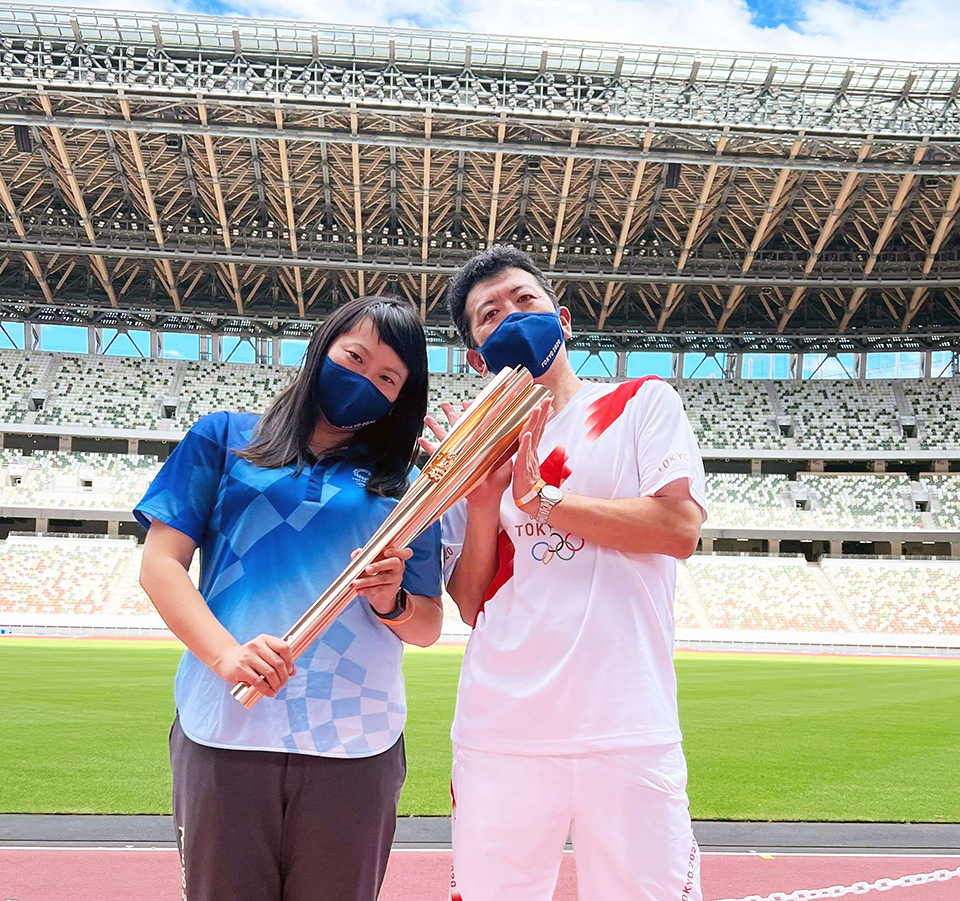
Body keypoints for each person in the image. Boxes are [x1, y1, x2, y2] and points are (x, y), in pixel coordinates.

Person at [136, 295, 443, 901]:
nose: (366, 380)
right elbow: (160, 564)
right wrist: (227, 656)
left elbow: (428, 624)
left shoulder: (410, 485)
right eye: (355, 357)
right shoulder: (225, 437)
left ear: (400, 398)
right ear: (322, 347)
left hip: (355, 738)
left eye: (388, 378)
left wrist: (392, 601)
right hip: (226, 726)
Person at [427, 245, 708, 901]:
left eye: (524, 299)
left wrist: (543, 501)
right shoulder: (469, 450)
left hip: (626, 724)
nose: (511, 315)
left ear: (564, 320)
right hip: (501, 730)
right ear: (476, 357)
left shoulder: (640, 403)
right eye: (489, 315)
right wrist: (482, 499)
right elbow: (469, 601)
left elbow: (678, 528)